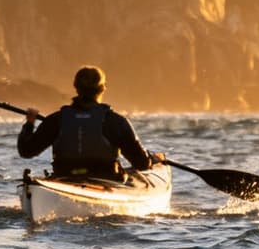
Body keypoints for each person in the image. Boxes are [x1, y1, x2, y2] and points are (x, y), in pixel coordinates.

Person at [18, 65, 163, 179]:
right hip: (105, 179)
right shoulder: (115, 121)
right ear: (102, 88)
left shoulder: (57, 119)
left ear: (76, 87)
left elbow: (26, 151)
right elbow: (141, 164)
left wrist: (29, 123)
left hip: (64, 177)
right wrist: (153, 159)